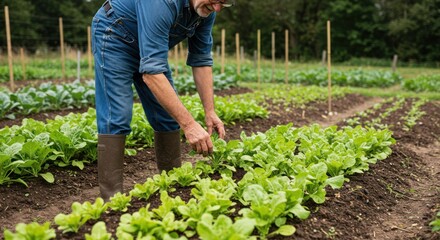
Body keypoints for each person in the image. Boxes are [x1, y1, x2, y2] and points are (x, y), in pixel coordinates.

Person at [92, 0, 232, 201]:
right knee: (117, 117)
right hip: (115, 36)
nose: (217, 8)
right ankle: (111, 202)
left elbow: (201, 59)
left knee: (167, 117)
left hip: (149, 48)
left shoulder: (206, 10)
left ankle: (172, 187)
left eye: (224, 3)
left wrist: (210, 111)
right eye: (216, 0)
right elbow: (152, 73)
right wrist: (190, 125)